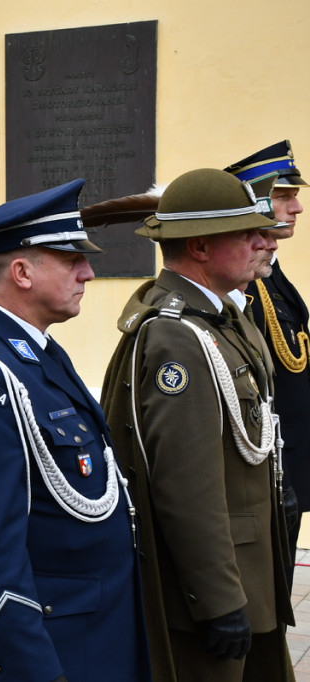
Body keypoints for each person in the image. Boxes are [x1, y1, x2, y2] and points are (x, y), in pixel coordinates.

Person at [0, 179, 149, 682]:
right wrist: (33, 669)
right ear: (21, 272)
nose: (88, 272)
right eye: (71, 260)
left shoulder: (37, 351)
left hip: (88, 628)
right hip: (47, 643)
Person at [101, 168, 294, 681]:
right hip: (216, 588)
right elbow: (186, 485)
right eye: (248, 231)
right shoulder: (177, 336)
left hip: (246, 572)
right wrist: (217, 599)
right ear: (202, 247)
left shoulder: (220, 320)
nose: (265, 239)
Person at [227, 141, 310, 588]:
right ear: (254, 202)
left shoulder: (272, 272)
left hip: (287, 461)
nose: (297, 207)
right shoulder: (240, 286)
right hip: (263, 467)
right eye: (283, 196)